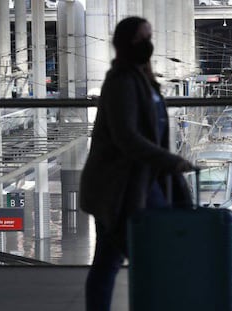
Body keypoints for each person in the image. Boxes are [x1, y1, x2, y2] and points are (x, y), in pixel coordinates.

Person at [79, 16, 194, 311]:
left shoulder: (142, 79)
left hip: (140, 182)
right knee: (145, 257)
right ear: (125, 42)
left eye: (149, 37)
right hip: (118, 186)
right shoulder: (121, 81)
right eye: (142, 38)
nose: (148, 44)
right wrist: (171, 161)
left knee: (111, 259)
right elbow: (127, 137)